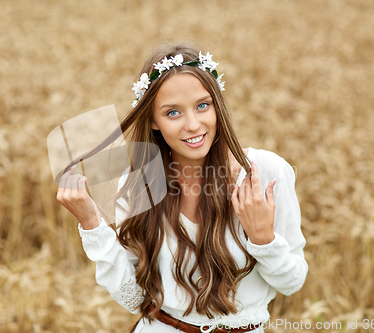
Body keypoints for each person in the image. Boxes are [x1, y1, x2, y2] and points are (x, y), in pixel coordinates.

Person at [56, 43, 308, 333]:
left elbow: (292, 283)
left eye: (203, 105)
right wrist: (91, 223)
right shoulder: (139, 182)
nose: (192, 124)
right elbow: (134, 297)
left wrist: (262, 238)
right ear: (153, 121)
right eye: (173, 113)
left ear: (217, 106)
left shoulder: (265, 173)